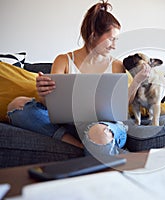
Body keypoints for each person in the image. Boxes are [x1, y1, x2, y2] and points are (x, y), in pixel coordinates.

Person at [6, 0, 151, 155]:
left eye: (116, 40)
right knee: (17, 105)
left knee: (98, 133)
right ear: (94, 35)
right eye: (111, 39)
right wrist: (43, 94)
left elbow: (120, 106)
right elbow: (50, 106)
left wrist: (136, 81)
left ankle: (97, 145)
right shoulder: (63, 61)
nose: (114, 46)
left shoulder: (116, 65)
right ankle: (83, 146)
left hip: (105, 126)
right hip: (70, 126)